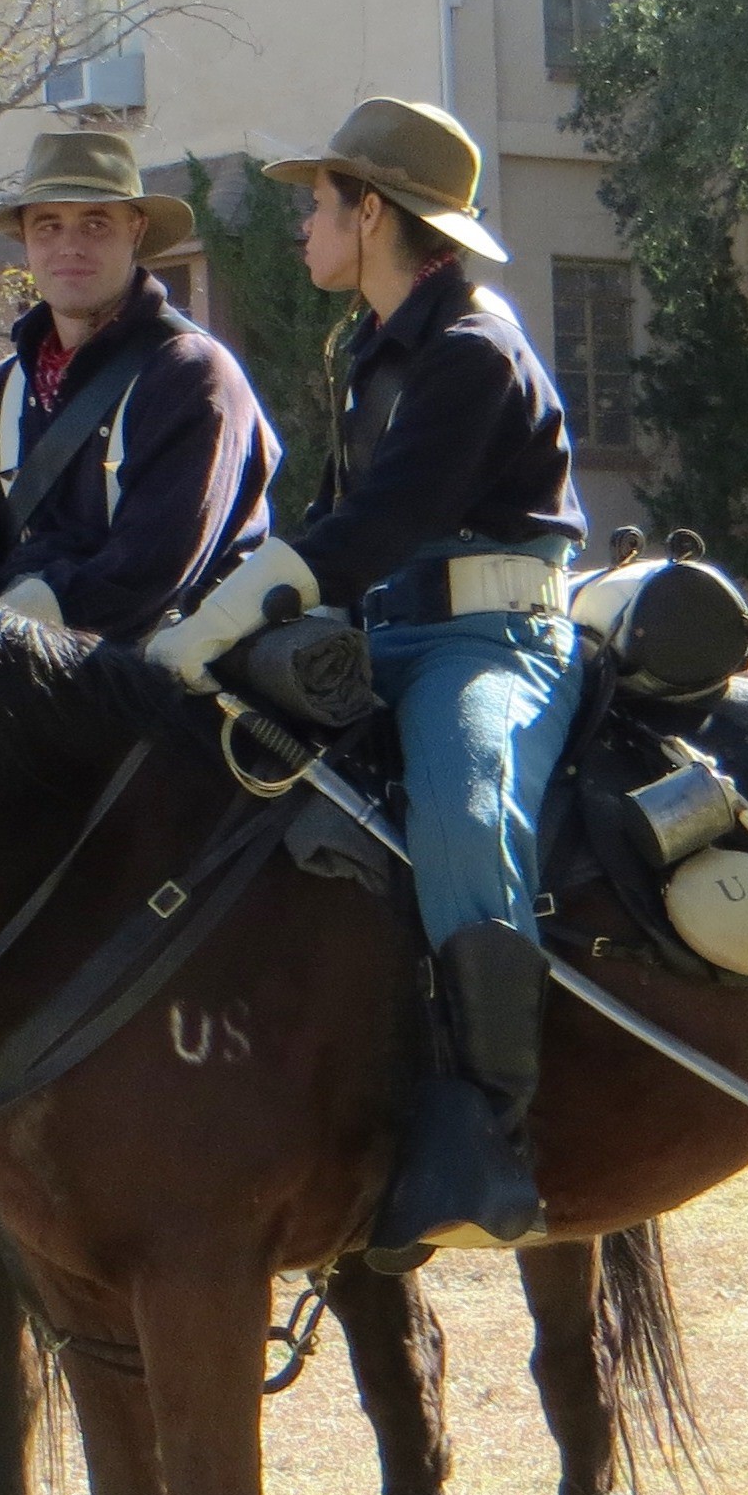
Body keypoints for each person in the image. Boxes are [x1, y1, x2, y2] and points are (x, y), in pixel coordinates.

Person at [145, 99, 586, 1265]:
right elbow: (338, 528)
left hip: (492, 645)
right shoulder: (373, 347)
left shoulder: (473, 349)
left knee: (462, 812)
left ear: (373, 210)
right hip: (384, 636)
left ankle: (489, 1133)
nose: (302, 228)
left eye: (317, 204)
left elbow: (380, 525)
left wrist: (234, 610)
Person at [0, 127, 278, 641]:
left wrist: (14, 624)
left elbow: (155, 564)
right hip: (18, 664)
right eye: (49, 226)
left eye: (96, 224)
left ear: (137, 230)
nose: (70, 247)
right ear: (26, 241)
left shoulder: (192, 374)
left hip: (170, 666)